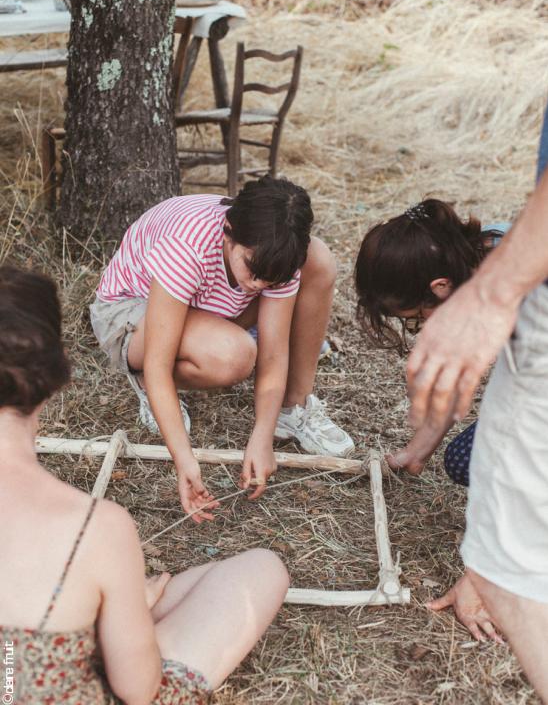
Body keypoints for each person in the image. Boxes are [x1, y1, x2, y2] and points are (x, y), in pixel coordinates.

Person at [0, 266, 290, 704]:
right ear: (51, 379)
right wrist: (126, 608)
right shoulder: (97, 528)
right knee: (263, 569)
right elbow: (137, 689)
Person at [91, 177, 354, 520]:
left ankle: (294, 411)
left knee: (317, 257)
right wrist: (184, 460)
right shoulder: (188, 245)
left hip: (206, 307)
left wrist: (263, 437)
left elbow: (274, 356)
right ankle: (141, 382)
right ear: (228, 231)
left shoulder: (277, 253)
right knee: (234, 356)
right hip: (131, 313)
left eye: (270, 281)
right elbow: (158, 364)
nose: (259, 285)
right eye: (252, 268)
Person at [406, 101, 548, 701]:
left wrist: (483, 570)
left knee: (505, 565)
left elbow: (476, 410)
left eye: (414, 316)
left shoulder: (492, 272)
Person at [354, 199, 509, 485]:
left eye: (417, 317)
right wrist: (416, 452)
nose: (423, 326)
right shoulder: (471, 261)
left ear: (440, 287)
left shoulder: (511, 277)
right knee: (464, 460)